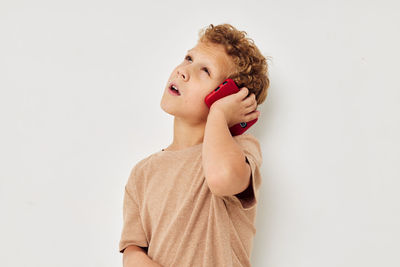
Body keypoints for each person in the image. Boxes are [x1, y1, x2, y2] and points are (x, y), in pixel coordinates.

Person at [119, 23, 270, 267]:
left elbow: (222, 178)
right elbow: (132, 252)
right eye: (188, 58)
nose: (183, 71)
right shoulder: (142, 172)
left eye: (205, 71)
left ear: (226, 96)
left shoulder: (242, 150)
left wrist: (219, 115)